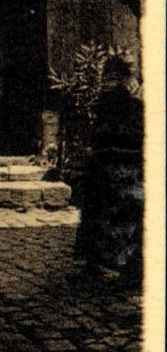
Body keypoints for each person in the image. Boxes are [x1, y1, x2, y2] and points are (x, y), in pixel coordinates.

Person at [75, 54, 144, 282]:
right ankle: (99, 264)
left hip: (121, 168)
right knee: (98, 215)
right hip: (110, 167)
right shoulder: (113, 100)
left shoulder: (131, 101)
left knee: (119, 219)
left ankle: (123, 267)